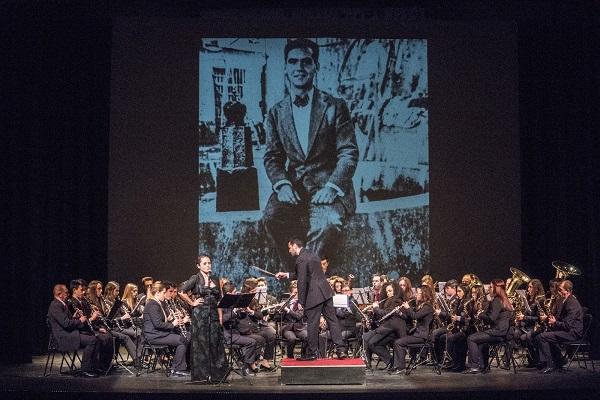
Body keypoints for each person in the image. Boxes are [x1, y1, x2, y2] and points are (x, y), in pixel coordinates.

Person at [263, 38, 359, 272]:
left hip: (327, 187)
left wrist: (332, 187)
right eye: (293, 62)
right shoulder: (276, 112)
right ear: (286, 67)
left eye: (306, 62)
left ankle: (305, 279)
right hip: (295, 188)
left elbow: (349, 152)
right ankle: (296, 273)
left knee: (327, 224)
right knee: (272, 216)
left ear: (315, 66)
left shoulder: (335, 106)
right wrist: (282, 184)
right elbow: (272, 157)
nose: (299, 68)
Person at [275, 238, 346, 360]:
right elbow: (306, 274)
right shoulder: (312, 255)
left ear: (294, 245)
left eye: (289, 248)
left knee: (312, 324)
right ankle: (341, 350)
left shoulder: (301, 259)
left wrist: (301, 301)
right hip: (326, 292)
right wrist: (286, 275)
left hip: (314, 295)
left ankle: (311, 353)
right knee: (333, 321)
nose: (289, 251)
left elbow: (301, 281)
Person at [179, 255, 228, 381]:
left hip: (214, 315)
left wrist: (221, 317)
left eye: (209, 263)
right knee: (201, 344)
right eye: (205, 263)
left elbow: (219, 300)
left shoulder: (216, 279)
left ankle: (217, 375)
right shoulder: (195, 278)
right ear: (198, 266)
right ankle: (202, 375)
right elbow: (181, 292)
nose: (208, 265)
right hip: (200, 315)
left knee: (215, 343)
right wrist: (192, 303)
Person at [47, 284, 100, 377]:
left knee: (94, 337)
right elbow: (66, 324)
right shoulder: (55, 305)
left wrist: (74, 317)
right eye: (66, 293)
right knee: (92, 340)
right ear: (60, 294)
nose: (68, 294)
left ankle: (93, 367)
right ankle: (86, 370)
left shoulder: (60, 304)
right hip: (63, 337)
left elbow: (66, 321)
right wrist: (79, 320)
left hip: (69, 333)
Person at [465, 279, 514, 374]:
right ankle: (483, 366)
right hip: (503, 332)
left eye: (491, 287)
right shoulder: (504, 300)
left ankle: (474, 366)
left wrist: (481, 315)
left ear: (496, 288)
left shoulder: (496, 300)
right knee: (481, 341)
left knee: (471, 338)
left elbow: (492, 318)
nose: (489, 289)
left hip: (497, 332)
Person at [535, 279, 584, 374]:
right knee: (543, 334)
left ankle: (550, 365)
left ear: (568, 291)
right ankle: (559, 362)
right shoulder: (565, 301)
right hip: (569, 331)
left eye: (561, 290)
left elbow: (567, 325)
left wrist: (555, 322)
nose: (558, 292)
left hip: (573, 333)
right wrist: (550, 319)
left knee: (543, 337)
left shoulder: (572, 303)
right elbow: (561, 319)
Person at [143, 281, 191, 377]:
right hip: (154, 336)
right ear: (157, 293)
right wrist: (172, 324)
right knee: (182, 340)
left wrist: (169, 319)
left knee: (186, 336)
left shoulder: (158, 303)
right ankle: (177, 368)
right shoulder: (152, 305)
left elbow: (160, 320)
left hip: (159, 333)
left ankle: (182, 365)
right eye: (163, 292)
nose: (165, 294)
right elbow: (157, 324)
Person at [389, 285, 435, 374]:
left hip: (423, 336)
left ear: (424, 294)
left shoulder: (428, 306)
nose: (416, 294)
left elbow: (415, 316)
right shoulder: (420, 305)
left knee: (398, 342)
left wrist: (408, 308)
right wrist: (400, 311)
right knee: (396, 340)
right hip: (417, 334)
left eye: (418, 293)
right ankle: (396, 366)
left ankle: (401, 367)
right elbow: (409, 316)